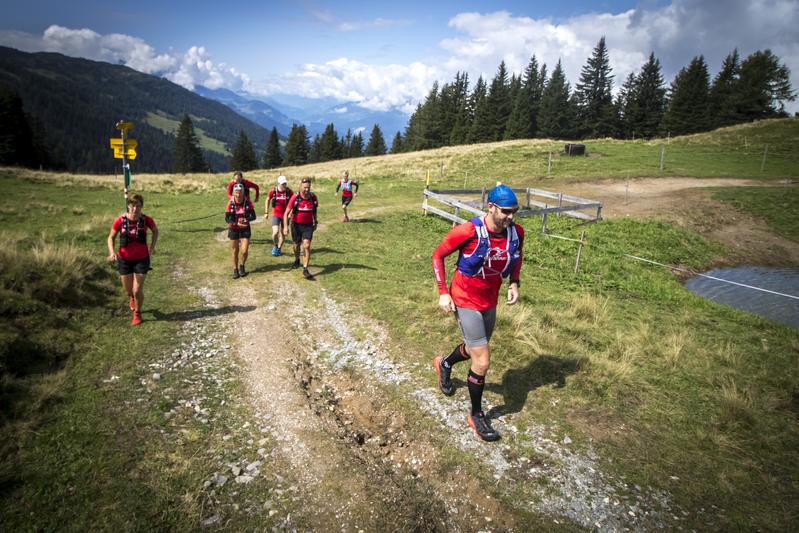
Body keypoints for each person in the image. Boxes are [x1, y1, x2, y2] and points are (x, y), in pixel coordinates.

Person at [430, 184, 525, 442]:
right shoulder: (469, 231)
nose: (511, 217)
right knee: (482, 360)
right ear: (490, 207)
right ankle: (476, 414)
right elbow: (438, 256)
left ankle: (445, 363)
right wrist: (443, 292)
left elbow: (516, 257)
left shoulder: (515, 233)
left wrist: (514, 282)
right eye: (506, 211)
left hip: (489, 300)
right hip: (464, 298)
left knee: (475, 348)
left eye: (514, 211)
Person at [107, 194, 159, 326]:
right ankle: (132, 298)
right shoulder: (120, 220)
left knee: (137, 290)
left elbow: (155, 231)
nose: (135, 208)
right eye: (133, 205)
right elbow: (111, 237)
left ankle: (137, 313)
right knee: (129, 291)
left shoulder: (147, 220)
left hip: (142, 259)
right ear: (128, 206)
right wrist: (112, 252)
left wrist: (152, 248)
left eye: (138, 206)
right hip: (124, 260)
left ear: (142, 207)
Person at [284, 178, 318, 279]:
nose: (306, 190)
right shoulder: (295, 197)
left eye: (308, 187)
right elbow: (286, 213)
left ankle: (305, 268)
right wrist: (285, 227)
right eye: (304, 187)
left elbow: (314, 211)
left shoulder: (313, 197)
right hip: (296, 225)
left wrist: (315, 221)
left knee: (306, 245)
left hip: (308, 226)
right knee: (296, 245)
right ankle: (297, 259)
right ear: (300, 186)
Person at [226, 183, 256, 279]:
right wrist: (236, 223)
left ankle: (242, 266)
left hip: (245, 228)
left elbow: (253, 216)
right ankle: (235, 269)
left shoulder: (248, 202)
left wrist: (246, 220)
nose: (238, 194)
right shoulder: (230, 203)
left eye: (240, 192)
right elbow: (227, 218)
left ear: (243, 193)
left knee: (244, 251)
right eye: (236, 192)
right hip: (234, 228)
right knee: (235, 250)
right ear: (233, 193)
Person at [266, 175, 293, 256]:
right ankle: (275, 245)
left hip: (285, 215)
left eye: (285, 183)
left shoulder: (289, 192)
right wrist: (266, 212)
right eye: (282, 184)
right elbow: (267, 199)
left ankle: (279, 248)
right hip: (276, 214)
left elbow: (294, 202)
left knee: (283, 233)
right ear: (278, 184)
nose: (284, 185)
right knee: (275, 232)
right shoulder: (273, 191)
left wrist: (290, 213)